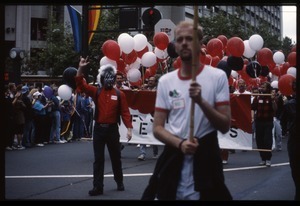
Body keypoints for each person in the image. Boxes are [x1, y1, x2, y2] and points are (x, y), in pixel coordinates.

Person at [141, 20, 232, 200]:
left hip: (206, 161)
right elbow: (157, 128)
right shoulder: (166, 81)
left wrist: (201, 101)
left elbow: (225, 125)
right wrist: (180, 144)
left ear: (200, 43)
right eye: (179, 39)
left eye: (189, 39)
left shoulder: (217, 77)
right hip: (173, 159)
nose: (183, 43)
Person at [75, 57, 133, 196]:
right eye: (105, 77)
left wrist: (129, 129)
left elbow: (125, 112)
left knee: (115, 158)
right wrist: (81, 68)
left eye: (110, 78)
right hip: (99, 130)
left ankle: (119, 181)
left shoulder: (120, 94)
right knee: (98, 159)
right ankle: (98, 187)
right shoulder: (96, 91)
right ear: (102, 78)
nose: (108, 80)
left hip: (112, 130)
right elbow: (80, 84)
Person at [280, 80, 299, 200]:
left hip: (295, 139)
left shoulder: (289, 104)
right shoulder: (289, 104)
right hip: (295, 139)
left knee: (295, 166)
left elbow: (283, 122)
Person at [251, 81, 277, 167]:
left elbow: (275, 109)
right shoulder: (258, 97)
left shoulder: (271, 97)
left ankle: (268, 159)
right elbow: (252, 108)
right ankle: (263, 158)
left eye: (264, 87)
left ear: (268, 88)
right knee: (259, 140)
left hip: (268, 122)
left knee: (267, 140)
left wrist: (273, 100)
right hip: (259, 122)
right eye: (262, 86)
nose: (262, 88)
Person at [138, 75, 159, 161]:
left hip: (155, 115)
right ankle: (142, 153)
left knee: (154, 134)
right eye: (149, 80)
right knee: (143, 133)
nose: (150, 82)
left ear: (155, 82)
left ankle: (155, 153)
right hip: (145, 115)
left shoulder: (159, 90)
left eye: (152, 80)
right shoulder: (144, 90)